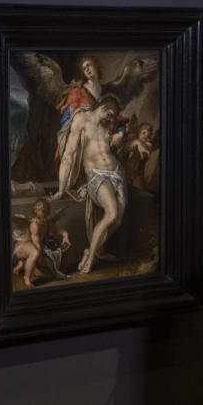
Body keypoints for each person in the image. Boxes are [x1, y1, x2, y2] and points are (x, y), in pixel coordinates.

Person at [51, 95, 127, 274]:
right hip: (96, 174)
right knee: (111, 212)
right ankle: (91, 257)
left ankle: (91, 250)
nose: (111, 119)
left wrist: (119, 135)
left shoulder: (107, 124)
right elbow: (69, 155)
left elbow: (123, 127)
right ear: (104, 107)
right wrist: (62, 189)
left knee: (118, 220)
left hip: (117, 171)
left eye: (113, 117)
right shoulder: (81, 119)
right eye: (110, 114)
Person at [12, 198, 71, 287]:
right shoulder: (34, 225)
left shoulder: (48, 222)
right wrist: (43, 255)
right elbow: (36, 244)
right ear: (34, 215)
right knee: (36, 253)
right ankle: (27, 277)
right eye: (39, 217)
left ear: (47, 215)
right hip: (23, 246)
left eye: (44, 217)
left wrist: (66, 236)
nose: (41, 220)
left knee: (47, 251)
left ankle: (20, 265)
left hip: (34, 244)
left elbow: (59, 231)